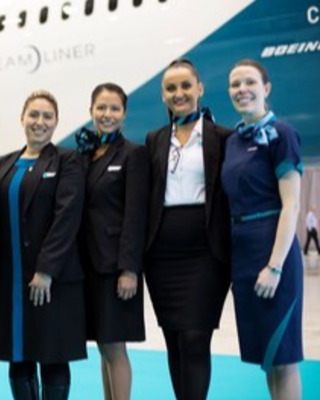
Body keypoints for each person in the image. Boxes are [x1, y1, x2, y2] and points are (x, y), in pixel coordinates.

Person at [0, 90, 86, 400]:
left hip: (50, 280)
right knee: (18, 356)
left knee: (52, 355)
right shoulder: (2, 164)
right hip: (9, 281)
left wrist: (46, 270)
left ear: (56, 122)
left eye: (47, 116)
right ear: (22, 118)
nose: (39, 122)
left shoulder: (68, 161)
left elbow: (67, 218)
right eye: (34, 115)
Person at [144, 59, 232, 400]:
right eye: (171, 88)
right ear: (163, 95)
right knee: (174, 339)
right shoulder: (154, 140)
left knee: (195, 337)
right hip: (161, 257)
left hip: (206, 254)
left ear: (200, 89)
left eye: (185, 86)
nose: (178, 93)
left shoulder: (222, 137)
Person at [221, 59, 303, 400]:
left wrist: (275, 266)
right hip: (243, 256)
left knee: (283, 357)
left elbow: (291, 205)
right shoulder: (233, 141)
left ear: (266, 88)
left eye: (250, 82)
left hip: (273, 252)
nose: (242, 90)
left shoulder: (282, 134)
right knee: (268, 358)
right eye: (235, 84)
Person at [75, 83, 149, 400]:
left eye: (114, 108)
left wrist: (129, 269)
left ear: (124, 113)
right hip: (88, 265)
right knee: (104, 347)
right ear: (91, 111)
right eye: (101, 108)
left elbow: (135, 215)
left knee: (116, 348)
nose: (107, 114)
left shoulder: (133, 154)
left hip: (116, 268)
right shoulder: (85, 155)